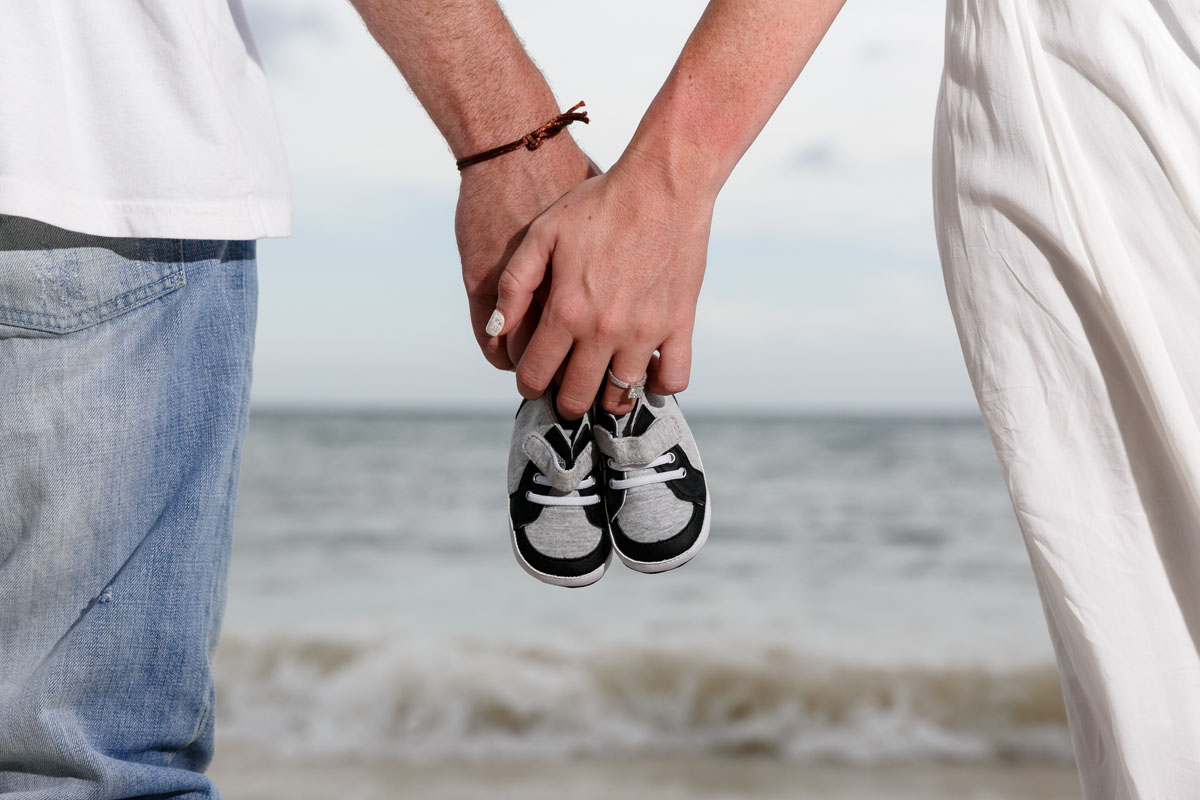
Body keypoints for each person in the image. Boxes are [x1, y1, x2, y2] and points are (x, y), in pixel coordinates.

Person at [0, 1, 1194, 799]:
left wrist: (603, 167)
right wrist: (528, 142)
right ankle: (601, 388)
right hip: (79, 139)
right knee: (79, 766)